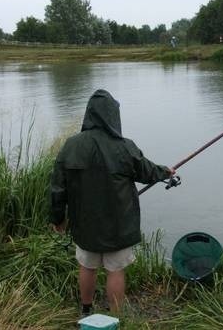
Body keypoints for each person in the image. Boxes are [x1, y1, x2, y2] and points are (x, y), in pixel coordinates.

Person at [50, 89, 175, 316]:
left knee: (87, 266)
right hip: (119, 224)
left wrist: (58, 218)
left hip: (84, 223)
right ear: (113, 116)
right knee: (115, 271)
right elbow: (147, 171)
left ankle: (86, 310)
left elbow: (58, 187)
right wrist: (165, 172)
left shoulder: (71, 145)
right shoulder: (125, 146)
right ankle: (116, 316)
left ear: (89, 115)